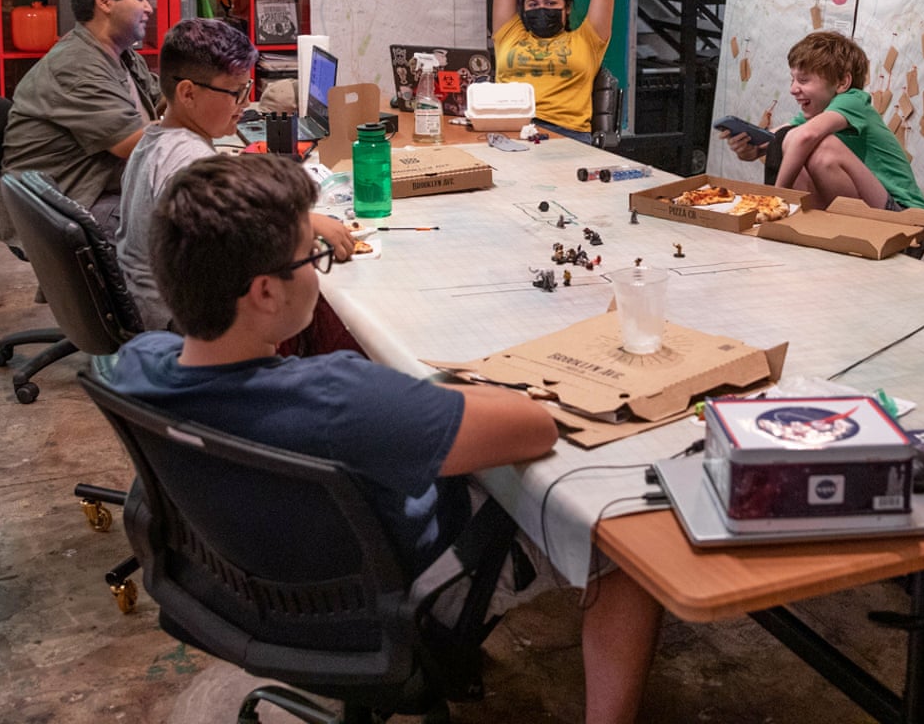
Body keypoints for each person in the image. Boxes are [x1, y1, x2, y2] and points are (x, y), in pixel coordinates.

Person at [110, 155, 665, 724]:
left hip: (238, 588)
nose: (318, 269)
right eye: (312, 257)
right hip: (386, 603)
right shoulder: (340, 398)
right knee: (623, 544)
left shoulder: (136, 365)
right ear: (266, 294)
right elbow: (534, 427)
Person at [115, 18, 354, 330]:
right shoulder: (188, 161)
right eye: (236, 93)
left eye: (248, 91)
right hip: (177, 325)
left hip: (152, 307)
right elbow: (236, 239)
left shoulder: (156, 138)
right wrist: (306, 222)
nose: (244, 106)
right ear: (188, 94)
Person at [0, 0, 160, 242]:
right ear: (104, 1)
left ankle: (77, 289)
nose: (149, 8)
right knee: (181, 228)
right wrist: (199, 115)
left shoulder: (122, 56)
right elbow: (133, 144)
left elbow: (165, 99)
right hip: (59, 207)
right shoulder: (77, 65)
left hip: (87, 193)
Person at [722, 30, 924, 212]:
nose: (793, 89)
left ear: (842, 82)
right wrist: (751, 149)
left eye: (803, 80)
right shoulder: (816, 114)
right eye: (792, 80)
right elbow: (774, 139)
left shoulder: (854, 100)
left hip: (904, 215)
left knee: (819, 146)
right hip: (873, 207)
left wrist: (774, 198)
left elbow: (805, 136)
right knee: (791, 141)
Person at [492, 0, 616, 143]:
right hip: (510, 129)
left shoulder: (588, 39)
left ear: (567, 8)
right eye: (533, 4)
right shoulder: (509, 34)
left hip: (567, 134)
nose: (541, 8)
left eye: (551, 3)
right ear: (523, 10)